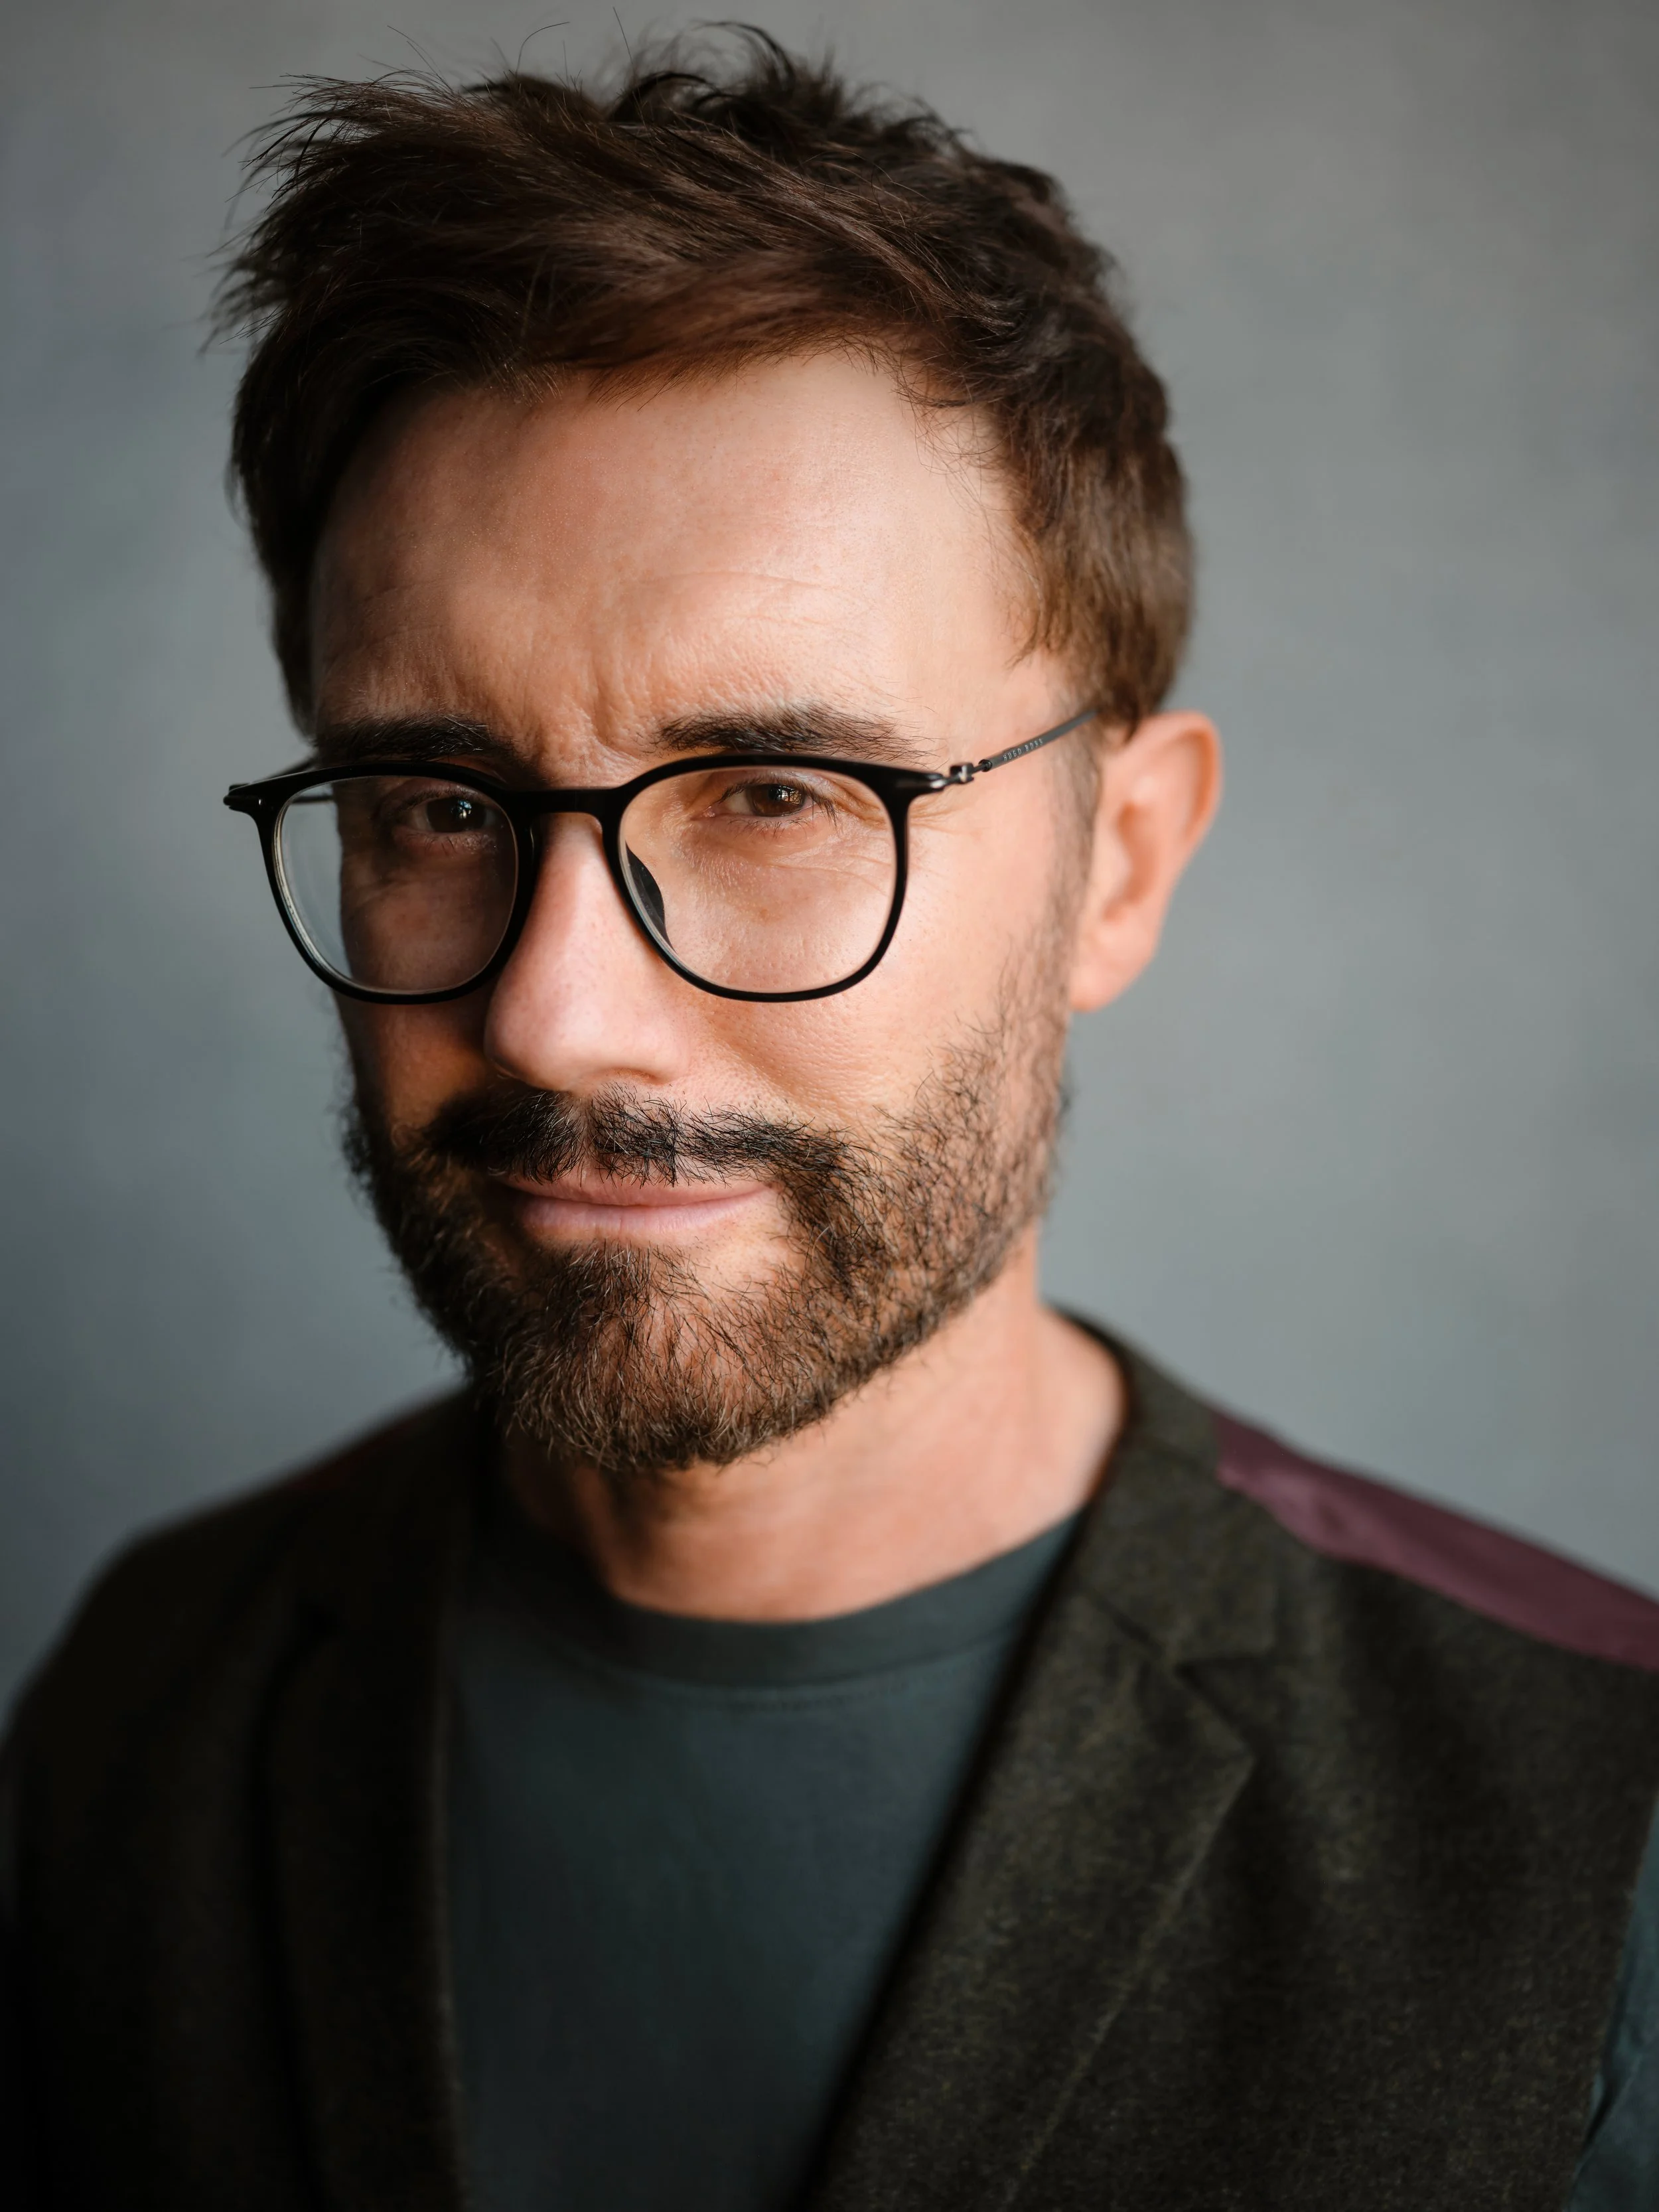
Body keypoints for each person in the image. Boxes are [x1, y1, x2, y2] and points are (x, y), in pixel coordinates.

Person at [3, 33, 1656, 2211]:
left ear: (1121, 865)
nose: (556, 1014)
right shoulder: (146, 1697)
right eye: (434, 802)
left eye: (778, 795)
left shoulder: (1590, 1824)